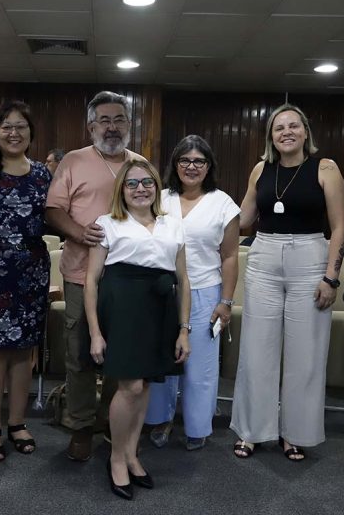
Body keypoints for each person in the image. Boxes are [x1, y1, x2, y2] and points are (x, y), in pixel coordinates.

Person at [231, 103, 344, 462]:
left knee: (305, 355)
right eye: (279, 127)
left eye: (293, 126)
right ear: (271, 136)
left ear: (305, 132)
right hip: (264, 256)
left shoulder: (325, 168)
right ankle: (252, 431)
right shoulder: (259, 169)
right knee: (256, 350)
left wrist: (331, 277)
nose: (286, 132)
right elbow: (243, 219)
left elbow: (340, 226)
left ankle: (294, 434)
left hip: (310, 258)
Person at [45, 90, 145, 462]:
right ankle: (81, 425)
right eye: (104, 120)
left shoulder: (140, 164)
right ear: (91, 126)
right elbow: (53, 209)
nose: (112, 126)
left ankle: (110, 422)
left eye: (119, 119)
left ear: (129, 125)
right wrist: (75, 231)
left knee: (122, 354)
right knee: (80, 354)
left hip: (127, 279)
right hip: (79, 273)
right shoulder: (73, 161)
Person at [85, 159, 191, 500]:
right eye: (132, 184)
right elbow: (90, 280)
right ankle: (116, 457)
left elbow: (184, 280)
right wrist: (96, 332)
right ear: (121, 190)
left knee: (145, 384)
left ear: (157, 187)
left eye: (147, 182)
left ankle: (132, 453)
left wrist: (183, 329)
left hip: (160, 308)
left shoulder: (172, 224)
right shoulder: (108, 223)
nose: (140, 189)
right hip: (123, 307)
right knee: (129, 385)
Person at [0, 101, 51, 461]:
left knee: (23, 350)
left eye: (21, 127)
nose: (13, 133)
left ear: (31, 134)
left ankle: (17, 422)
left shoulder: (45, 175)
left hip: (32, 269)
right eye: (6, 127)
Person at [145, 135, 240, 451]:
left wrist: (225, 302)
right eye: (185, 160)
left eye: (199, 161)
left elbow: (229, 257)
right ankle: (160, 419)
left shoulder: (223, 203)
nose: (191, 166)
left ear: (209, 166)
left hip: (204, 291)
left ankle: (197, 426)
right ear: (175, 164)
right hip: (162, 291)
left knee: (199, 364)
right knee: (162, 360)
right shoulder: (159, 199)